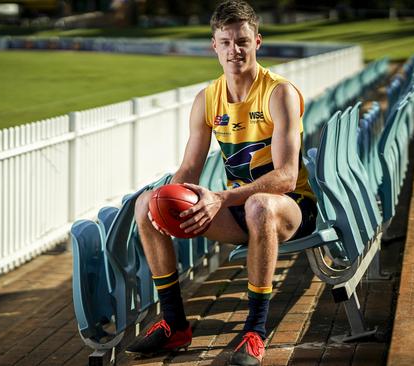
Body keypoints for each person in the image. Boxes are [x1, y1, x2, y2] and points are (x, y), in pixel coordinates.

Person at [126, 1, 317, 365]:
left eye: (242, 41)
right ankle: (174, 324)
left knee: (259, 204)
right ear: (214, 46)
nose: (235, 50)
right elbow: (188, 170)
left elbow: (287, 176)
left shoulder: (279, 93)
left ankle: (254, 331)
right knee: (146, 204)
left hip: (290, 208)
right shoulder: (207, 99)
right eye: (226, 42)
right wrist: (165, 202)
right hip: (237, 209)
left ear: (257, 42)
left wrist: (220, 198)